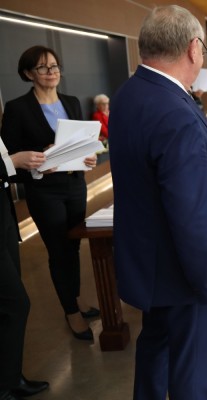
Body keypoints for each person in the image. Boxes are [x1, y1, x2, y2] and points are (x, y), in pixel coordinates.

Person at [108, 6, 207, 400]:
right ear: (193, 49)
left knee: (156, 357)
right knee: (191, 374)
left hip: (152, 267)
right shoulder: (176, 111)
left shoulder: (130, 94)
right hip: (184, 274)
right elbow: (190, 218)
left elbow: (156, 174)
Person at [0, 45, 98, 342]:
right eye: (43, 68)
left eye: (55, 66)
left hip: (75, 184)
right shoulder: (18, 108)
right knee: (58, 251)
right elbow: (9, 156)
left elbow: (80, 142)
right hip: (44, 190)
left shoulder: (71, 101)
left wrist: (87, 156)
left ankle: (76, 297)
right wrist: (38, 164)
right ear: (29, 73)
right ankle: (71, 311)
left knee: (74, 245)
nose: (51, 72)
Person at [1, 143, 50, 400]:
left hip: (4, 217)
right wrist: (15, 161)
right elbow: (6, 163)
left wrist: (36, 163)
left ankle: (11, 378)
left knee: (8, 305)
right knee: (16, 304)